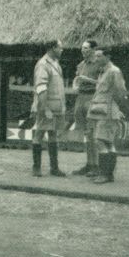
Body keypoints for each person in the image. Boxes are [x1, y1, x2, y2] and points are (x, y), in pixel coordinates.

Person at [87, 49, 128, 184]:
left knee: (100, 141)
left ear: (108, 57)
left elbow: (121, 91)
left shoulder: (113, 71)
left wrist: (116, 107)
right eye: (96, 56)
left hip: (108, 111)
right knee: (108, 142)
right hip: (101, 110)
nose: (96, 59)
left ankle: (105, 174)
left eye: (99, 56)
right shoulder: (103, 72)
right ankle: (108, 174)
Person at [31, 40, 67, 177]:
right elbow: (41, 87)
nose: (62, 50)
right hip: (46, 106)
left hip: (56, 107)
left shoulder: (55, 63)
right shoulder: (43, 64)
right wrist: (44, 108)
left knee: (53, 134)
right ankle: (36, 168)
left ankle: (54, 168)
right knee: (39, 134)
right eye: (60, 48)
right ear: (53, 48)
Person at [71, 40, 102, 176]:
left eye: (86, 48)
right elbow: (76, 80)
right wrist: (75, 85)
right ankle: (89, 164)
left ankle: (96, 166)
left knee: (93, 133)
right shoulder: (80, 65)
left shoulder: (99, 65)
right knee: (87, 134)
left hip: (92, 98)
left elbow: (103, 83)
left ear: (94, 49)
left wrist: (87, 80)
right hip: (81, 98)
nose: (83, 50)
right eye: (82, 48)